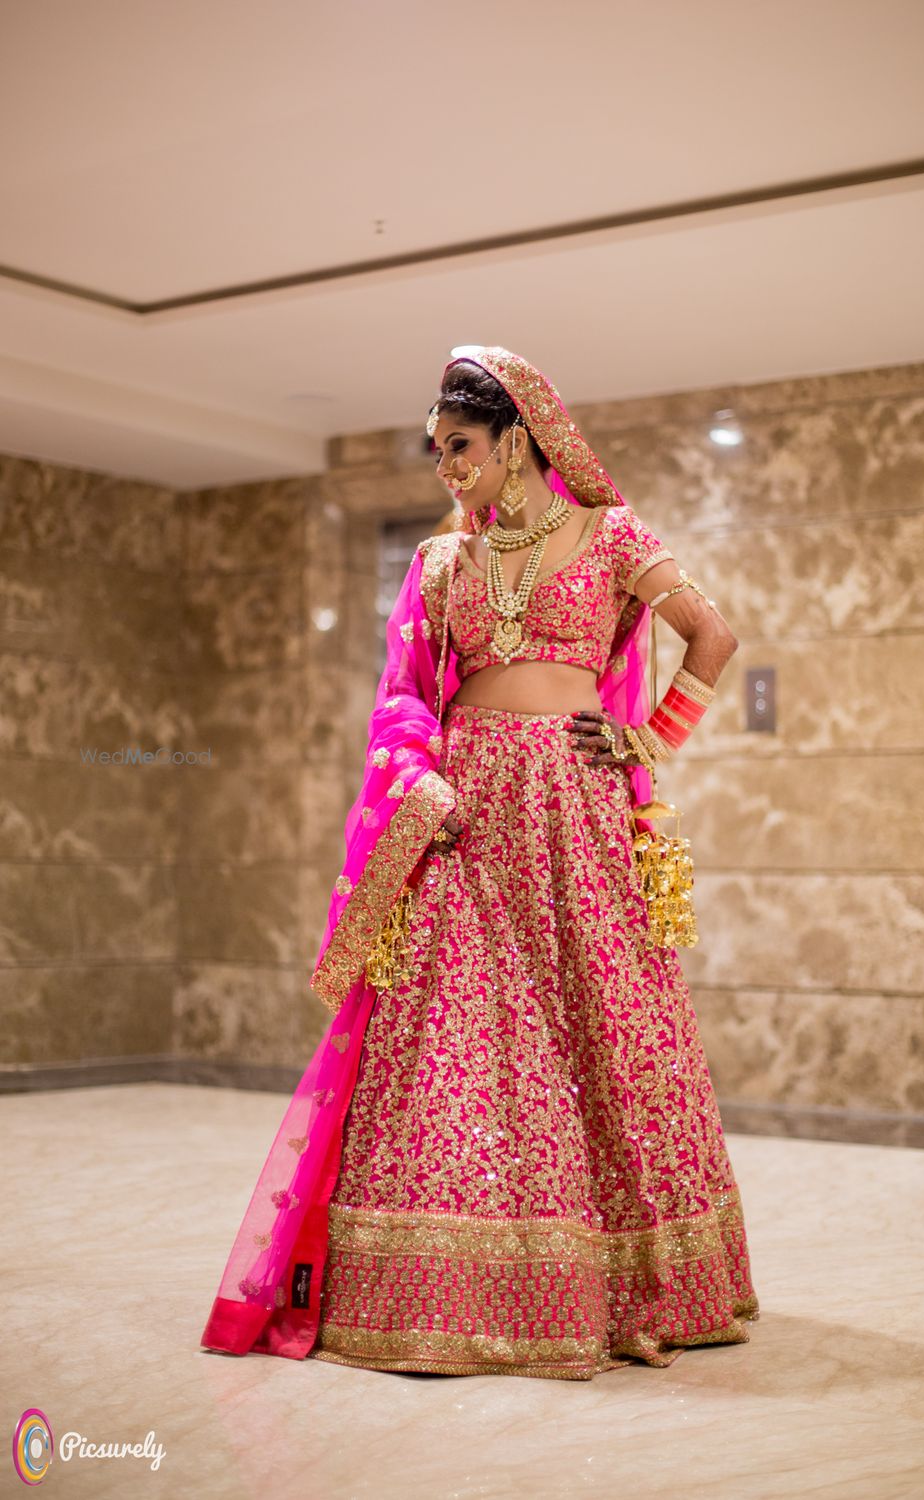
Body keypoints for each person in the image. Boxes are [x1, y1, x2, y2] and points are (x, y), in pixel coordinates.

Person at [200, 344, 760, 1381]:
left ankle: (626, 1283)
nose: (446, 469)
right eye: (435, 452)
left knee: (602, 1024)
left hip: (574, 808)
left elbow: (711, 637)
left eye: (460, 446)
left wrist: (649, 737)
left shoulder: (611, 536)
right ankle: (441, 1287)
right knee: (448, 1038)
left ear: (518, 438)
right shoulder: (440, 564)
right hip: (460, 814)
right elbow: (404, 693)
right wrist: (418, 780)